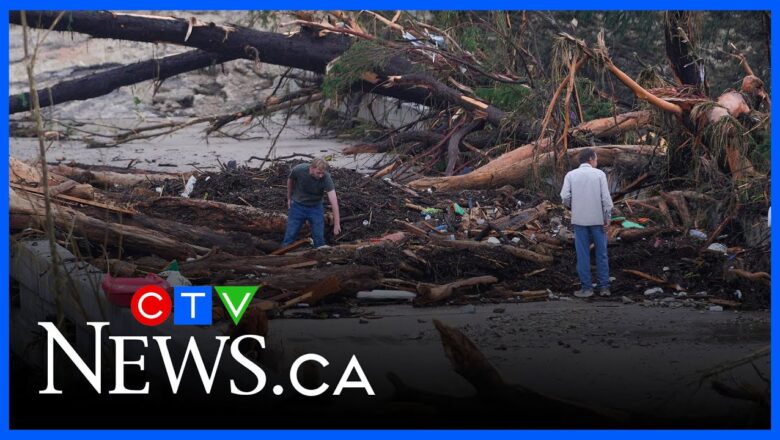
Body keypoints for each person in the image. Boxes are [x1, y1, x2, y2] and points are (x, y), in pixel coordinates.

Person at [560, 148, 613, 298]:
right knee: (602, 254)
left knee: (583, 255)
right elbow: (606, 199)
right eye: (596, 159)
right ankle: (604, 287)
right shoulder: (599, 174)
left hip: (579, 220)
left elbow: (564, 196)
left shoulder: (571, 175)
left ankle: (587, 288)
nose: (597, 162)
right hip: (598, 220)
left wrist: (574, 206)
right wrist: (607, 218)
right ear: (590, 159)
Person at [281, 158, 341, 248]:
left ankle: (319, 251)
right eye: (318, 173)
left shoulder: (326, 178)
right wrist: (289, 198)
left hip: (315, 207)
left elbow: (334, 201)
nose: (321, 176)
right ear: (312, 168)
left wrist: (337, 224)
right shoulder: (299, 170)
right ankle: (284, 251)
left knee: (319, 236)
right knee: (291, 234)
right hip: (298, 206)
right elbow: (290, 180)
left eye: (322, 173)